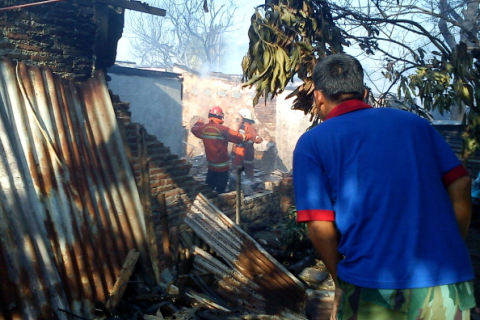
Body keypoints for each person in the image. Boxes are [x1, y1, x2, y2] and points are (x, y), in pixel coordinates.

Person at [292, 53, 476, 320]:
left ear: (318, 96)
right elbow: (461, 182)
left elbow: (319, 225)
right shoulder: (416, 125)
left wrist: (339, 281)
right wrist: (451, 243)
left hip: (372, 286)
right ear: (364, 92)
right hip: (446, 278)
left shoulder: (312, 143)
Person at [191, 106, 249, 193]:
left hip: (211, 166)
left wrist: (199, 123)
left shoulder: (203, 128)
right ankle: (220, 205)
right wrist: (248, 136)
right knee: (221, 191)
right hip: (222, 168)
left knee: (209, 188)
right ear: (221, 117)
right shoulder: (223, 130)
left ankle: (210, 203)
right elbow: (239, 138)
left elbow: (194, 129)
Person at [232, 108, 263, 180]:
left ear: (244, 117)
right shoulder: (241, 125)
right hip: (239, 150)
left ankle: (249, 183)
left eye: (241, 116)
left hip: (247, 152)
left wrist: (258, 138)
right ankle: (237, 183)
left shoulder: (250, 127)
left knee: (247, 168)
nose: (239, 118)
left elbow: (256, 138)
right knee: (237, 167)